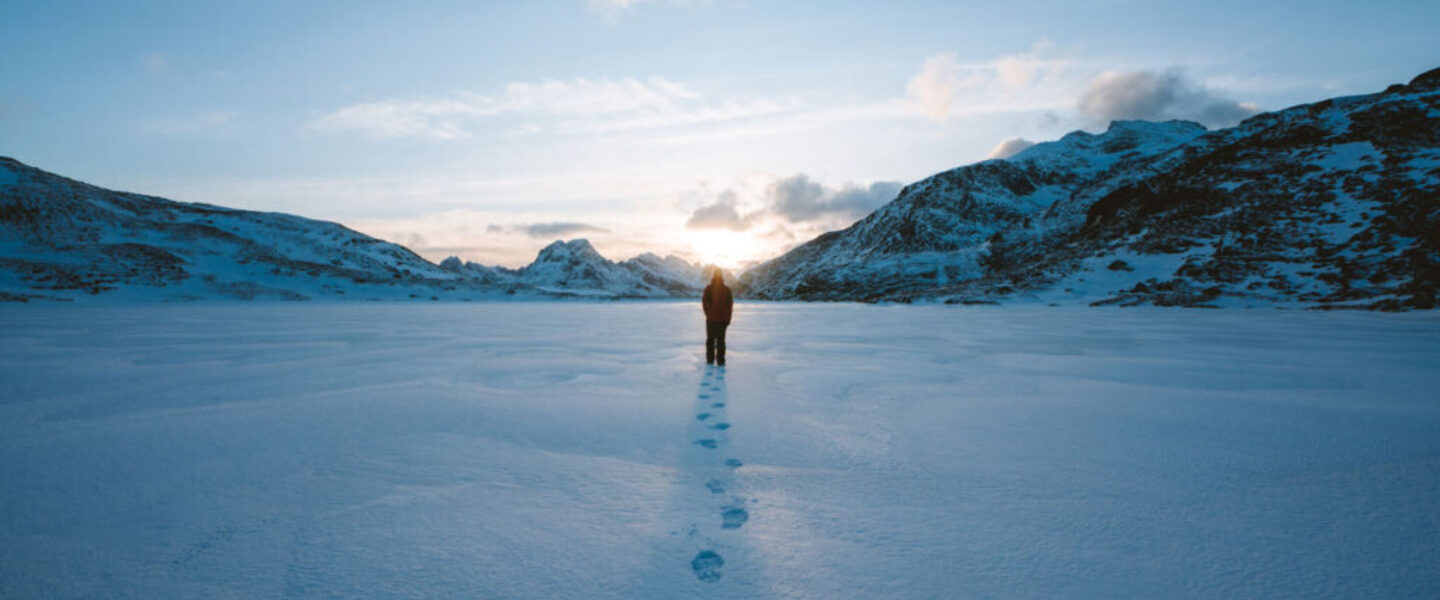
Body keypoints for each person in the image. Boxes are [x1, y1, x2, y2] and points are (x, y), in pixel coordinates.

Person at [702, 270, 733, 367]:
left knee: (710, 340)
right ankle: (721, 361)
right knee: (721, 341)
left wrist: (708, 313)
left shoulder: (708, 288)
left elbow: (704, 303)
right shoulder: (727, 289)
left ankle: (710, 360)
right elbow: (730, 306)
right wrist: (728, 318)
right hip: (723, 320)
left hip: (711, 319)